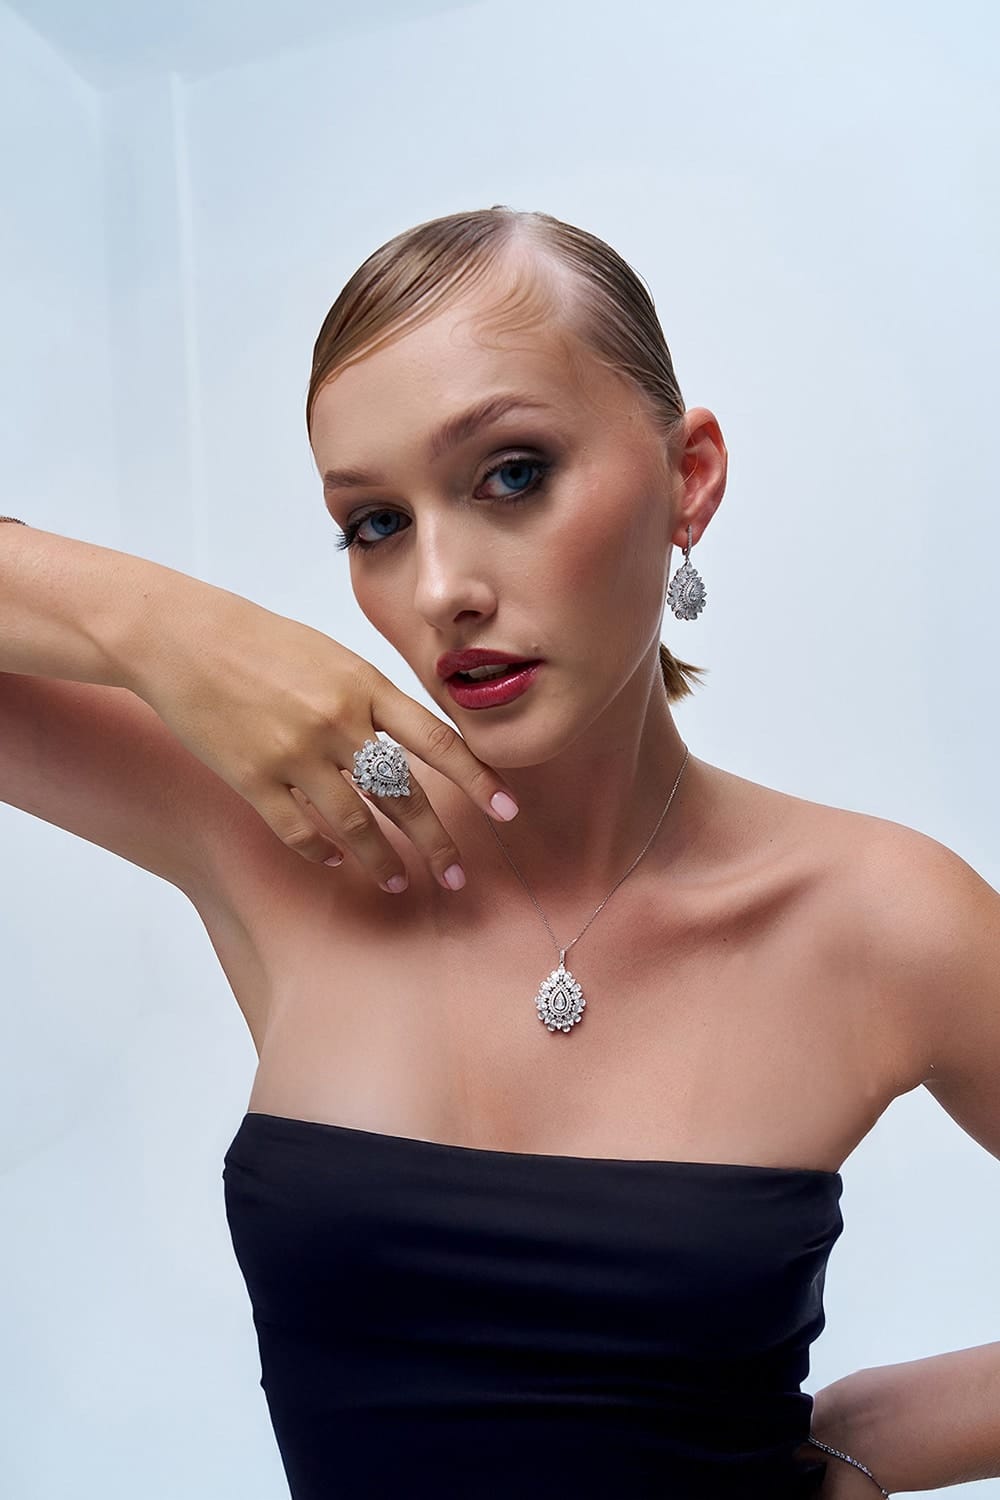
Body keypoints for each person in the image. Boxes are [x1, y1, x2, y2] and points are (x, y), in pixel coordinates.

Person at [2, 206, 998, 1499]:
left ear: (690, 478)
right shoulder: (296, 835)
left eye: (512, 474)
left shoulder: (886, 922)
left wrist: (872, 1434)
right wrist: (165, 628)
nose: (439, 590)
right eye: (374, 523)